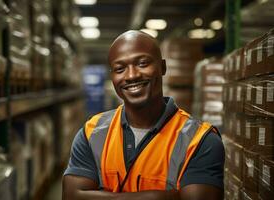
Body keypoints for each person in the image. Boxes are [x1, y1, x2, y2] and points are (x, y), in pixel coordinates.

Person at [62, 30, 225, 200]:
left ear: (162, 67)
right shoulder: (92, 133)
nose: (132, 75)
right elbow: (71, 196)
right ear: (112, 76)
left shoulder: (200, 140)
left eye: (142, 63)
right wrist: (161, 197)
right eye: (120, 68)